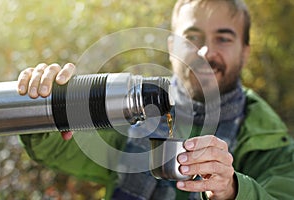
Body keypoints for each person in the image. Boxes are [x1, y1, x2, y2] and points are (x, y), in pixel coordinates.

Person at [17, 0, 294, 199]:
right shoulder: (135, 110)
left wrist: (233, 191)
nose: (204, 51)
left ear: (245, 53)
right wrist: (46, 102)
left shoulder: (272, 145)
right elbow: (56, 149)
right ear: (172, 46)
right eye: (192, 37)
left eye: (223, 38)